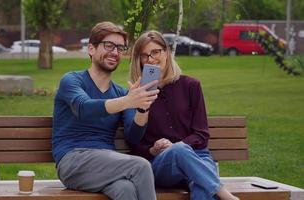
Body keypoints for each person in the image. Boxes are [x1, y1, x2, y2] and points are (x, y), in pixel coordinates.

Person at [52, 22, 159, 200]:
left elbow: (133, 136)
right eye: (109, 45)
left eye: (120, 48)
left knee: (125, 189)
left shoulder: (120, 93)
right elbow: (83, 108)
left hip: (106, 163)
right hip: (73, 161)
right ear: (91, 49)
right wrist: (126, 101)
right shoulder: (72, 80)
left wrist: (142, 107)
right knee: (141, 166)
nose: (115, 52)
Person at [129, 30, 239, 200]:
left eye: (155, 52)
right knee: (183, 154)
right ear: (139, 61)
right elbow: (135, 144)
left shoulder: (191, 86)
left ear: (166, 52)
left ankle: (218, 191)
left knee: (201, 186)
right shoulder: (137, 94)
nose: (150, 59)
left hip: (198, 156)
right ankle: (227, 196)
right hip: (162, 164)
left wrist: (178, 145)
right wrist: (153, 149)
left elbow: (201, 134)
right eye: (144, 56)